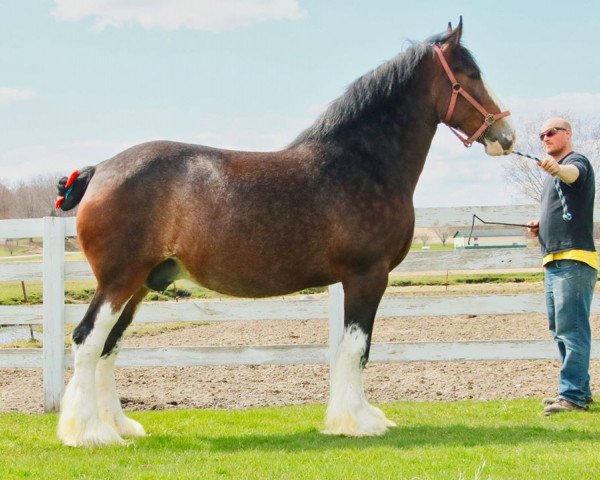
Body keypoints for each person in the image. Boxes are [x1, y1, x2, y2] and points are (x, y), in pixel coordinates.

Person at [528, 117, 597, 415]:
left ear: (567, 133)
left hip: (574, 259)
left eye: (551, 132)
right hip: (553, 259)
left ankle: (572, 396)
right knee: (560, 329)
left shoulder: (574, 161)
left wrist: (557, 168)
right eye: (542, 134)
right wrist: (541, 226)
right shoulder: (551, 176)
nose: (546, 137)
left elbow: (573, 175)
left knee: (573, 329)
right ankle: (578, 390)